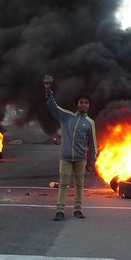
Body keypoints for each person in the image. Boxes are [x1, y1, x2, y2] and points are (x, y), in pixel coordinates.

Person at [45, 78, 97, 221]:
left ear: (89, 106)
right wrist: (48, 91)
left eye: (86, 103)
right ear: (77, 104)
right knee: (63, 185)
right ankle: (60, 211)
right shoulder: (66, 117)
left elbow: (92, 143)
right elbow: (53, 106)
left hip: (80, 159)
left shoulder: (89, 123)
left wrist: (92, 160)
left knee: (79, 185)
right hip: (66, 158)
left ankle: (77, 209)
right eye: (81, 102)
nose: (84, 105)